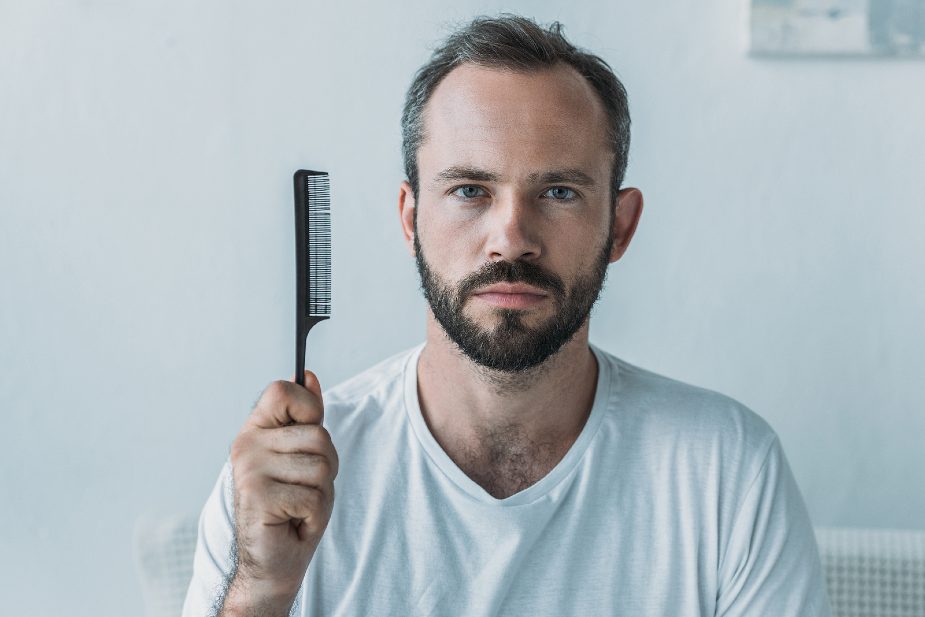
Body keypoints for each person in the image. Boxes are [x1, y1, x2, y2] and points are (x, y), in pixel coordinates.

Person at [183, 14, 832, 617]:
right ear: (410, 219)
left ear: (619, 225)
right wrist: (260, 590)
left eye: (558, 192)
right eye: (469, 190)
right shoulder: (282, 481)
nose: (510, 236)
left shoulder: (725, 470)